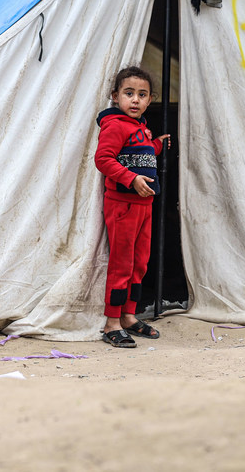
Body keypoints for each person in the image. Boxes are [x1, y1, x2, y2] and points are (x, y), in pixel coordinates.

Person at [94, 65, 170, 348]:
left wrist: (158, 144)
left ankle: (129, 315)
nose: (135, 100)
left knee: (140, 263)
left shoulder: (141, 128)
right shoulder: (114, 124)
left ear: (150, 99)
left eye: (142, 94)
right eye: (129, 94)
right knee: (122, 264)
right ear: (116, 96)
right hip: (123, 205)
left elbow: (142, 152)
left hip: (144, 205)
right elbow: (103, 159)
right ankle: (111, 323)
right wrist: (131, 178)